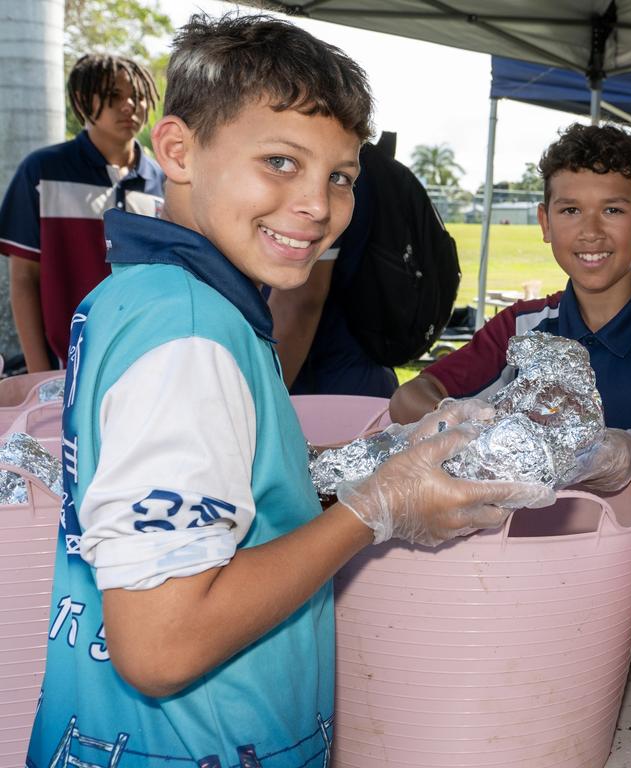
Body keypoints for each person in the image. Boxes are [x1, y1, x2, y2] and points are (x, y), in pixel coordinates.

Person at [27, 15, 554, 765]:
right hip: (190, 744)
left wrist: (384, 456)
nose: (316, 204)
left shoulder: (148, 293)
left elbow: (204, 475)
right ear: (176, 149)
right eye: (280, 160)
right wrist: (376, 509)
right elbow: (161, 643)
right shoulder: (190, 337)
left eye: (340, 176)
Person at [390, 122, 631, 654]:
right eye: (571, 210)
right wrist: (461, 423)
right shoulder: (521, 326)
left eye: (614, 210)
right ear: (544, 222)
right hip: (521, 583)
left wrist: (630, 460)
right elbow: (410, 395)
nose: (591, 231)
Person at [0, 53, 163, 372]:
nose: (130, 105)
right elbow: (23, 279)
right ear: (81, 98)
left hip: (146, 363)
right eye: (114, 96)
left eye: (139, 96)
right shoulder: (42, 171)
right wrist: (39, 373)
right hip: (65, 366)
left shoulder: (165, 182)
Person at [269, 139, 398, 397]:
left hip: (324, 389)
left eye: (339, 178)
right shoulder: (351, 162)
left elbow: (302, 301)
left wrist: (266, 404)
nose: (317, 207)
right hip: (360, 377)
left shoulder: (315, 171)